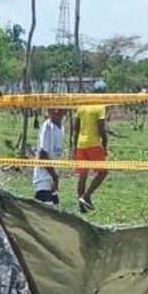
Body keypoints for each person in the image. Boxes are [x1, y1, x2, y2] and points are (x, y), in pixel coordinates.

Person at [74, 81, 110, 213]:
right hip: (93, 143)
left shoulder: (82, 105)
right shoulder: (99, 107)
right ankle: (87, 196)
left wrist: (74, 147)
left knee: (83, 175)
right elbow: (101, 129)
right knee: (103, 172)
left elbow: (76, 128)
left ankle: (81, 205)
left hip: (80, 144)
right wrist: (105, 142)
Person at [33, 109, 66, 207]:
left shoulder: (62, 129)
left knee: (56, 210)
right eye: (53, 108)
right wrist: (55, 177)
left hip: (52, 183)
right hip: (44, 182)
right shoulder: (47, 127)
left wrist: (55, 179)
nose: (56, 111)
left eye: (60, 108)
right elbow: (42, 156)